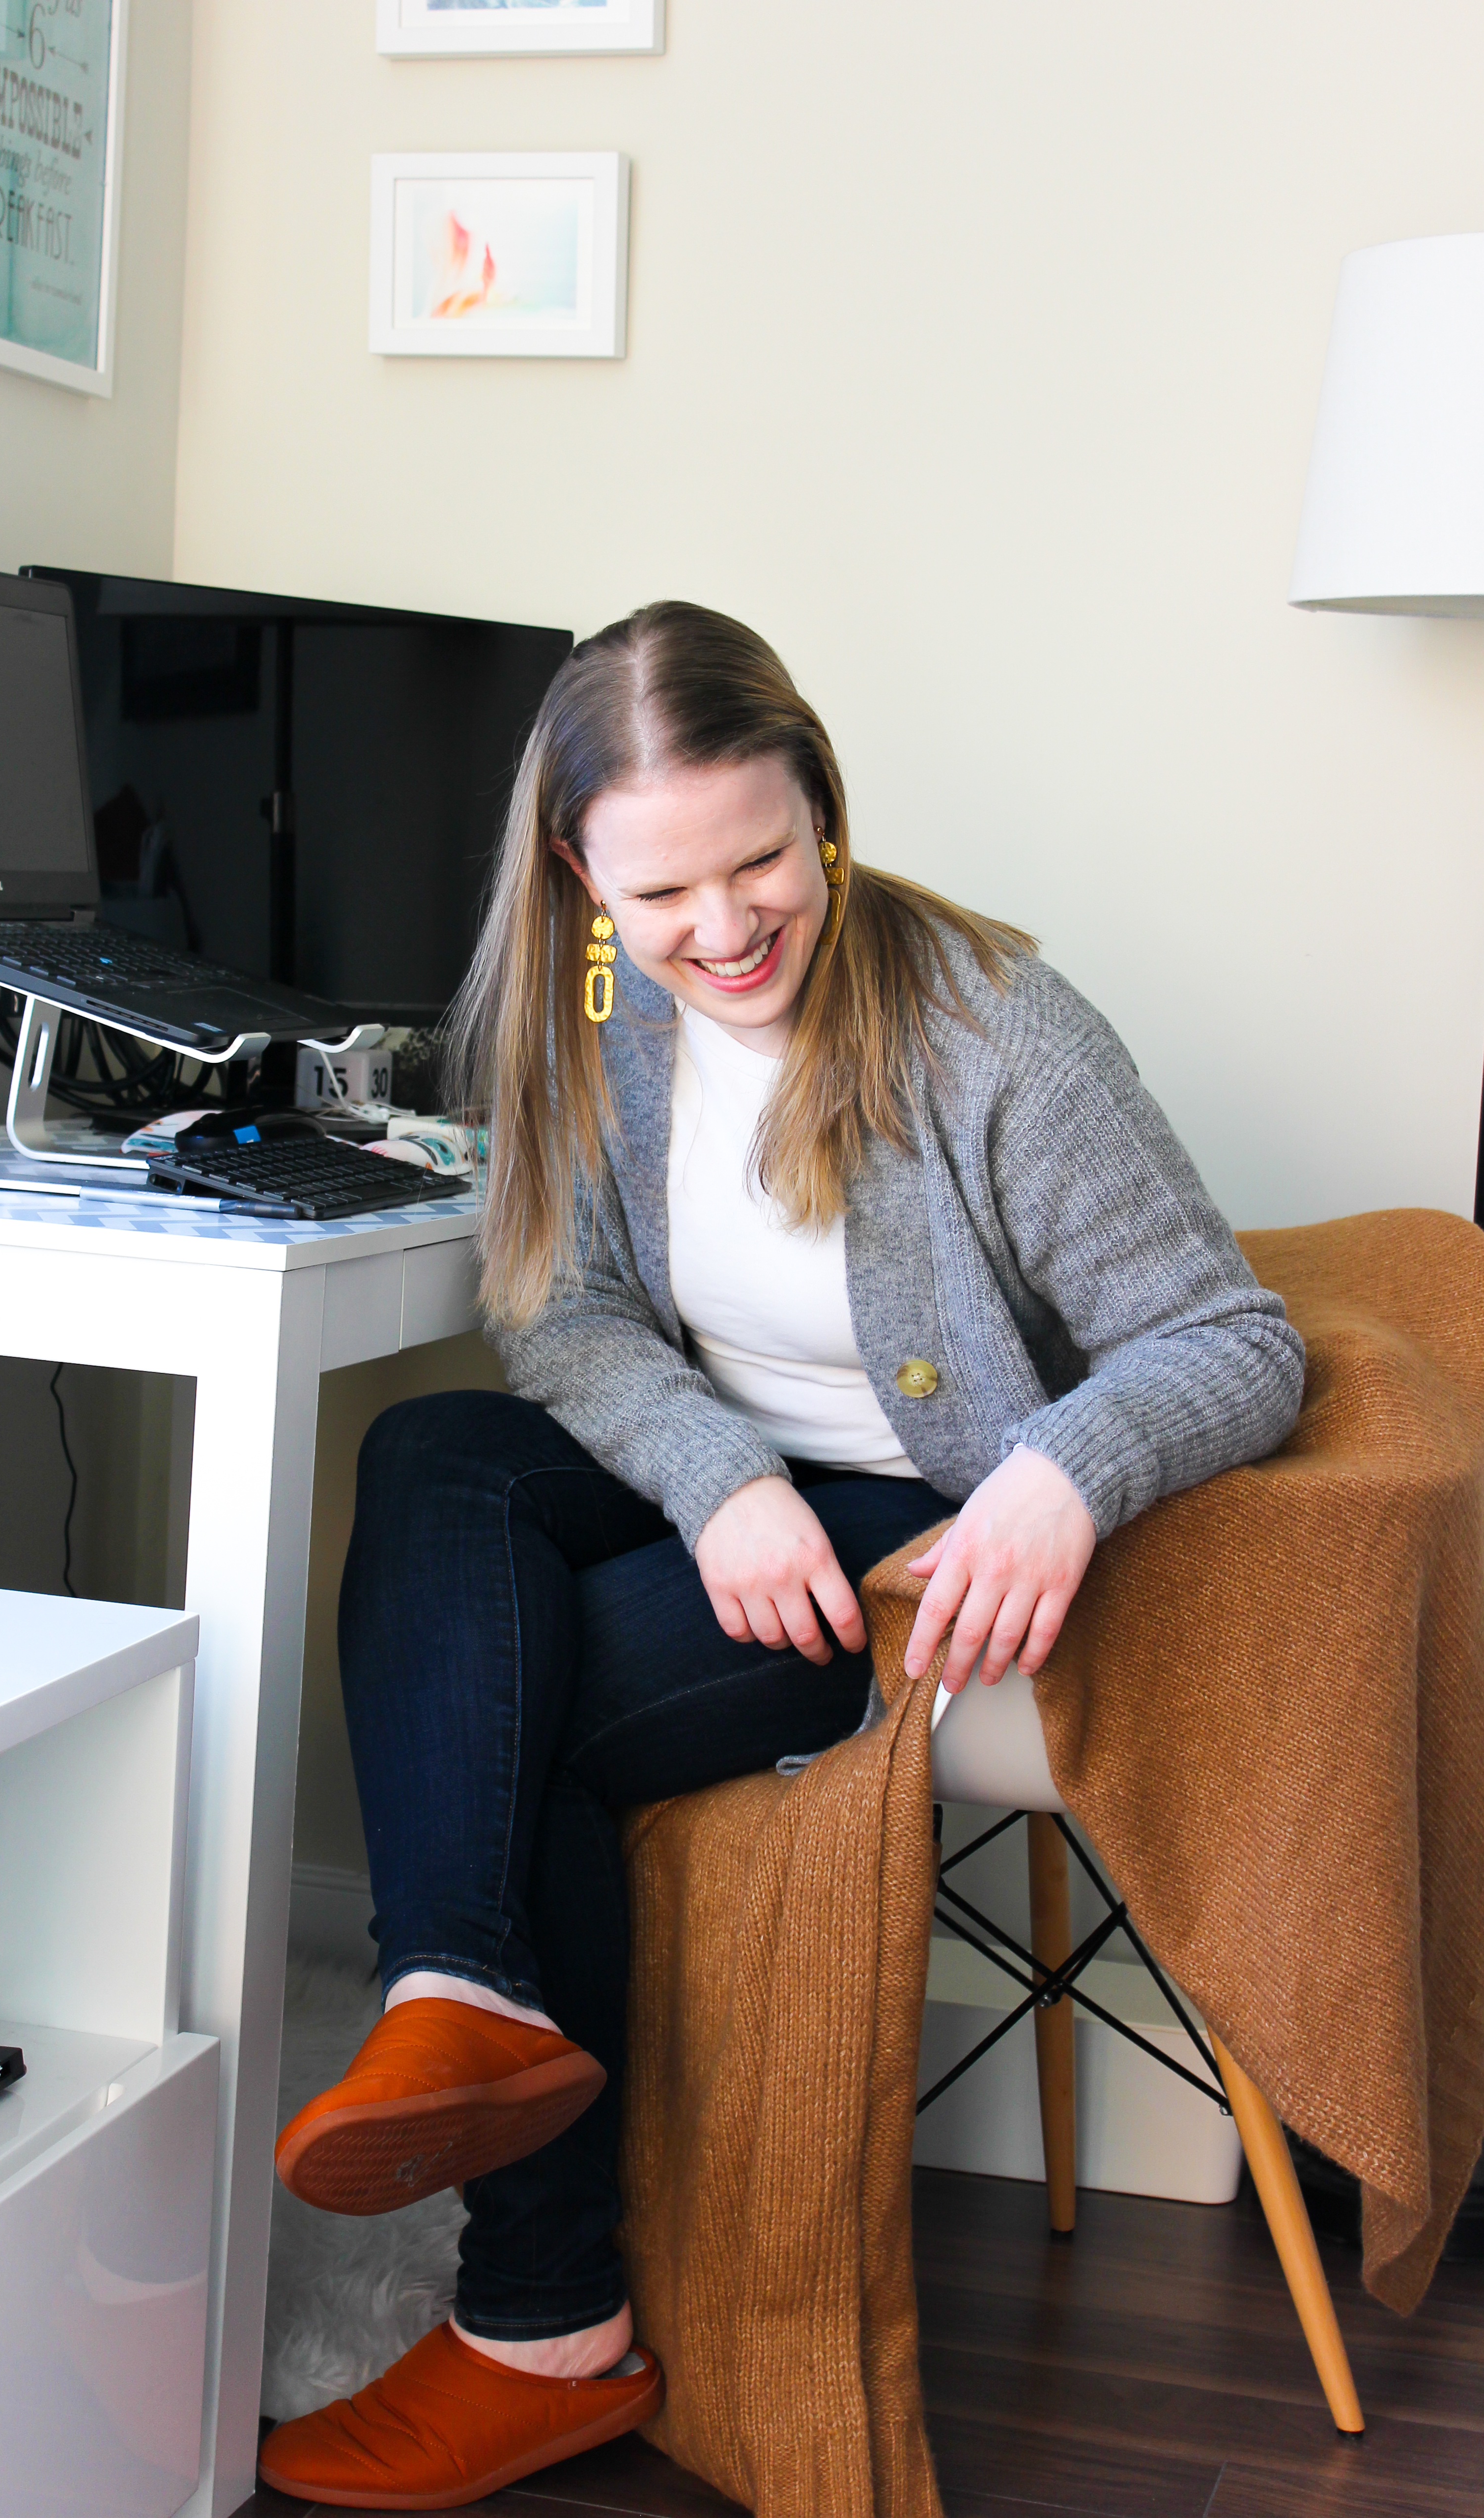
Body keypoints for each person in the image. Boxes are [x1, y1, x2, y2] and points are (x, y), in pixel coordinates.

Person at [258, 603, 1305, 2508]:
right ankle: (459, 2002)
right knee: (431, 1454)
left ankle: (540, 2322)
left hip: (919, 1523)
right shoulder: (585, 1004)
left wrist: (1063, 1473)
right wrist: (717, 1481)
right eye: (663, 888)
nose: (723, 928)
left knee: (537, 1703)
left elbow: (1232, 1337)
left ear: (819, 809)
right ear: (577, 871)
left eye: (762, 859)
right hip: (727, 1492)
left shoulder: (995, 1028)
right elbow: (563, 1320)